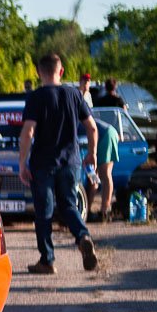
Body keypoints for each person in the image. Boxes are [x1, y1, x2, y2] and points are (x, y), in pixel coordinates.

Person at [19, 54, 101, 274]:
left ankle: (47, 260)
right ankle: (83, 236)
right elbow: (92, 128)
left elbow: (28, 132)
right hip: (71, 161)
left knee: (44, 212)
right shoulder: (74, 94)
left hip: (43, 163)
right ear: (61, 71)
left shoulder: (36, 97)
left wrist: (22, 163)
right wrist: (92, 153)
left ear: (39, 73)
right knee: (68, 206)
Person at [91, 117, 119, 222]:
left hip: (105, 135)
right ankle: (88, 208)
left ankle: (104, 211)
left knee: (105, 174)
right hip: (100, 136)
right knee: (93, 175)